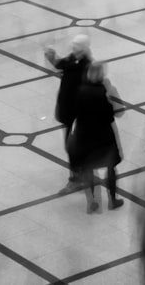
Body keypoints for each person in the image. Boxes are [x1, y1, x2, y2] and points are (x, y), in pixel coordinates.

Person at [67, 61, 125, 214]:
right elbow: (119, 112)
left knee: (88, 168)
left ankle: (92, 201)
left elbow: (74, 113)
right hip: (104, 135)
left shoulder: (80, 91)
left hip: (85, 136)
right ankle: (112, 200)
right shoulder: (105, 91)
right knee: (111, 167)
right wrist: (111, 90)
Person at [44, 34, 93, 190]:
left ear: (84, 48)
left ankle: (77, 177)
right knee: (70, 144)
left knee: (74, 145)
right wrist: (51, 57)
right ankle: (80, 173)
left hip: (78, 111)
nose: (73, 46)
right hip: (67, 109)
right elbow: (61, 65)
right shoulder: (73, 58)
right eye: (73, 43)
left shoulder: (86, 65)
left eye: (77, 44)